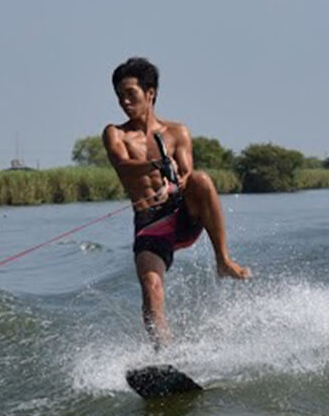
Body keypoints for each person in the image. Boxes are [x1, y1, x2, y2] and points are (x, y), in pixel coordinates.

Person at [103, 57, 250, 348]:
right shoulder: (115, 133)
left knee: (202, 179)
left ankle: (223, 260)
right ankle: (163, 354)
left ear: (150, 93)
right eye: (119, 95)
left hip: (182, 215)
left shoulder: (177, 132)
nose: (124, 101)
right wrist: (154, 165)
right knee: (152, 287)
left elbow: (185, 175)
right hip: (149, 223)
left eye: (130, 94)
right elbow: (122, 164)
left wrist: (174, 183)